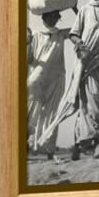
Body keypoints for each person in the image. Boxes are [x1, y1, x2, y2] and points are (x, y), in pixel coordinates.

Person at [38, 0, 99, 160]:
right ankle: (94, 143)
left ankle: (78, 144)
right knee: (93, 100)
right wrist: (81, 46)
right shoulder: (85, 10)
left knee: (93, 100)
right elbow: (74, 34)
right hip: (86, 60)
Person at [26, 10, 71, 162]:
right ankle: (25, 147)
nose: (51, 19)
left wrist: (75, 8)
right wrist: (26, 43)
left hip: (56, 79)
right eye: (48, 16)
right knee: (31, 113)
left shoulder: (61, 34)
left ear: (58, 18)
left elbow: (80, 27)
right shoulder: (36, 36)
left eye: (54, 16)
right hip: (37, 78)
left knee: (52, 114)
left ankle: (49, 152)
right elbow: (29, 59)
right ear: (43, 17)